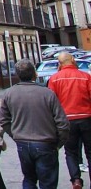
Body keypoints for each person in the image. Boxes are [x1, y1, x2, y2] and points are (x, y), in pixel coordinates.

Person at [1, 58, 69, 189]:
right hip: (45, 142)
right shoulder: (47, 93)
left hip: (23, 142)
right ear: (35, 74)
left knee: (29, 178)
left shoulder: (9, 93)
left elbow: (3, 120)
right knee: (47, 181)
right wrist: (58, 143)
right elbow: (62, 123)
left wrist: (15, 134)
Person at [48, 51, 91, 189]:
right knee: (90, 151)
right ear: (73, 60)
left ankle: (76, 180)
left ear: (59, 64)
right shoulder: (85, 77)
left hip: (66, 121)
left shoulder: (54, 79)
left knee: (70, 152)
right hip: (87, 118)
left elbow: (51, 103)